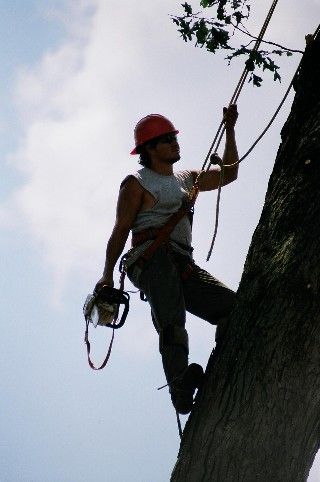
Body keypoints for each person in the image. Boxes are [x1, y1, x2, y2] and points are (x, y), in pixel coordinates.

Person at [95, 106, 239, 414]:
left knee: (232, 308)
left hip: (182, 263)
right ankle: (179, 387)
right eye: (166, 139)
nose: (174, 143)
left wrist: (230, 128)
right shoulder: (136, 182)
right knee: (172, 319)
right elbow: (121, 229)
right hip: (150, 258)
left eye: (174, 137)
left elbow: (231, 172)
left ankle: (225, 367)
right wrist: (107, 274)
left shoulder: (188, 179)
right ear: (148, 148)